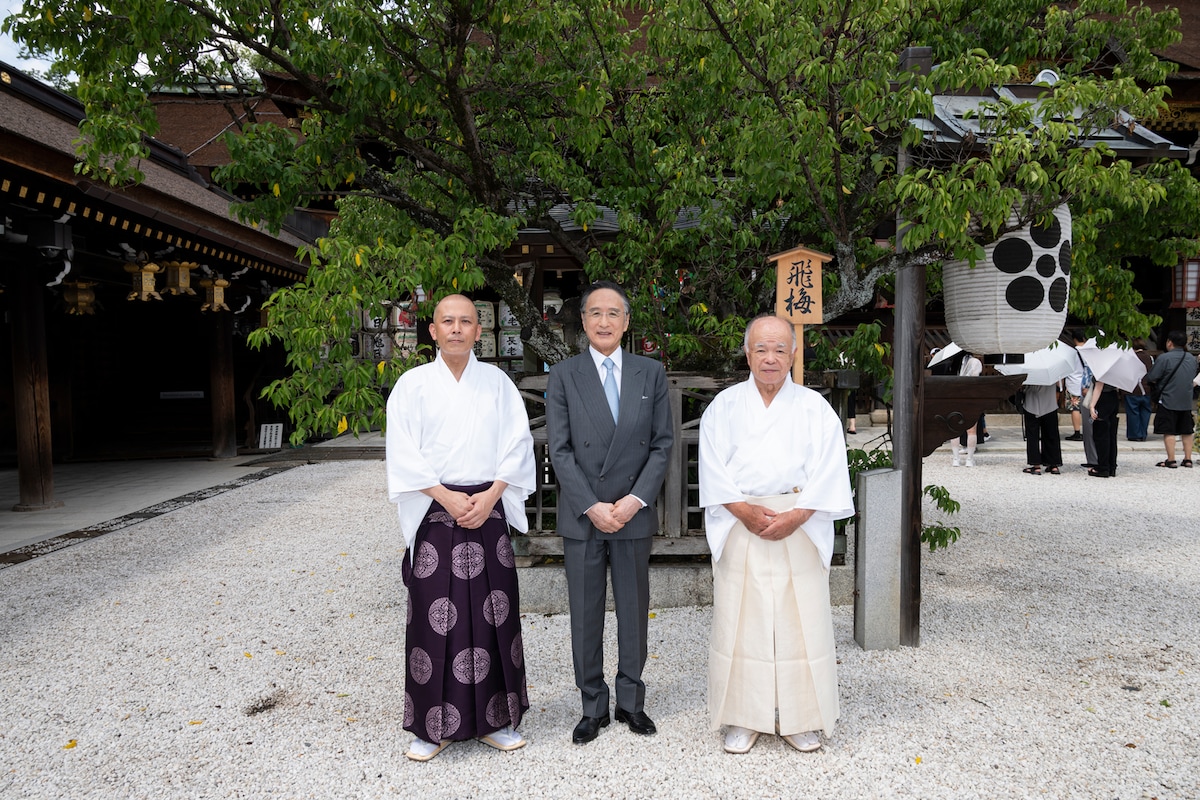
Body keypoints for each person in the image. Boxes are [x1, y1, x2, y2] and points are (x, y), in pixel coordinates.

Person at [385, 294, 536, 762]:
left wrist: (491, 496)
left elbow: (518, 443)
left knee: (493, 615)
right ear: (431, 331)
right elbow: (403, 451)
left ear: (478, 331)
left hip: (486, 509)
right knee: (435, 621)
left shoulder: (497, 383)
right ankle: (433, 727)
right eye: (446, 321)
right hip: (435, 510)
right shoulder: (411, 386)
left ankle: (495, 720)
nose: (456, 328)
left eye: (465, 321)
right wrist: (446, 497)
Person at [699, 315, 854, 755]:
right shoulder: (725, 407)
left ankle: (800, 716)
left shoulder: (813, 408)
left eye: (779, 350)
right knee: (741, 620)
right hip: (740, 517)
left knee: (799, 620)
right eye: (761, 349)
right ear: (747, 353)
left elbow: (829, 471)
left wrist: (799, 515)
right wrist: (744, 511)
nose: (770, 358)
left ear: (793, 354)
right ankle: (745, 716)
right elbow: (711, 469)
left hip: (798, 521)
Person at [546, 280, 674, 744]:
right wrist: (591, 505)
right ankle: (591, 704)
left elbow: (661, 445)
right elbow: (559, 451)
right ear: (582, 322)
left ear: (626, 322)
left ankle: (631, 701)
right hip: (585, 513)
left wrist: (634, 500)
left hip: (632, 511)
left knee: (634, 608)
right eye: (594, 313)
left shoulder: (649, 372)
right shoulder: (564, 375)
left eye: (613, 313)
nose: (604, 321)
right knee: (585, 611)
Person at [1145, 330, 1198, 469]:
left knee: (1169, 430)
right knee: (1187, 430)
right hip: (1186, 400)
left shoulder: (1164, 358)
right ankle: (1188, 459)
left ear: (1170, 342)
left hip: (1168, 399)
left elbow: (1152, 377)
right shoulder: (1191, 358)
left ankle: (1171, 459)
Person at [1070, 330, 1099, 469]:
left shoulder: (1078, 353)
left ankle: (1093, 458)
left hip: (1085, 391)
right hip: (1101, 394)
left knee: (1087, 424)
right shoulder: (1098, 354)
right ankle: (1103, 458)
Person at [1020, 382, 1063, 475]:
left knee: (1032, 435)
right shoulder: (1052, 368)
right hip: (1049, 402)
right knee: (1051, 434)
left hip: (1032, 403)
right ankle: (1053, 464)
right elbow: (1059, 385)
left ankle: (1036, 465)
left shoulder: (1030, 368)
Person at [1087, 379, 1120, 478]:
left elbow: (1099, 386)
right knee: (1111, 435)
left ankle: (1103, 467)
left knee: (1101, 435)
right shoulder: (1116, 366)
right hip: (1113, 396)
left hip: (1103, 397)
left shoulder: (1102, 367)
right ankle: (1111, 466)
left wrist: (1092, 405)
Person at [1124, 338, 1154, 441]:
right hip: (1147, 389)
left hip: (1132, 388)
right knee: (1145, 412)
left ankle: (1135, 434)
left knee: (1133, 412)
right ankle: (1143, 433)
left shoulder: (1129, 357)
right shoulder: (1149, 357)